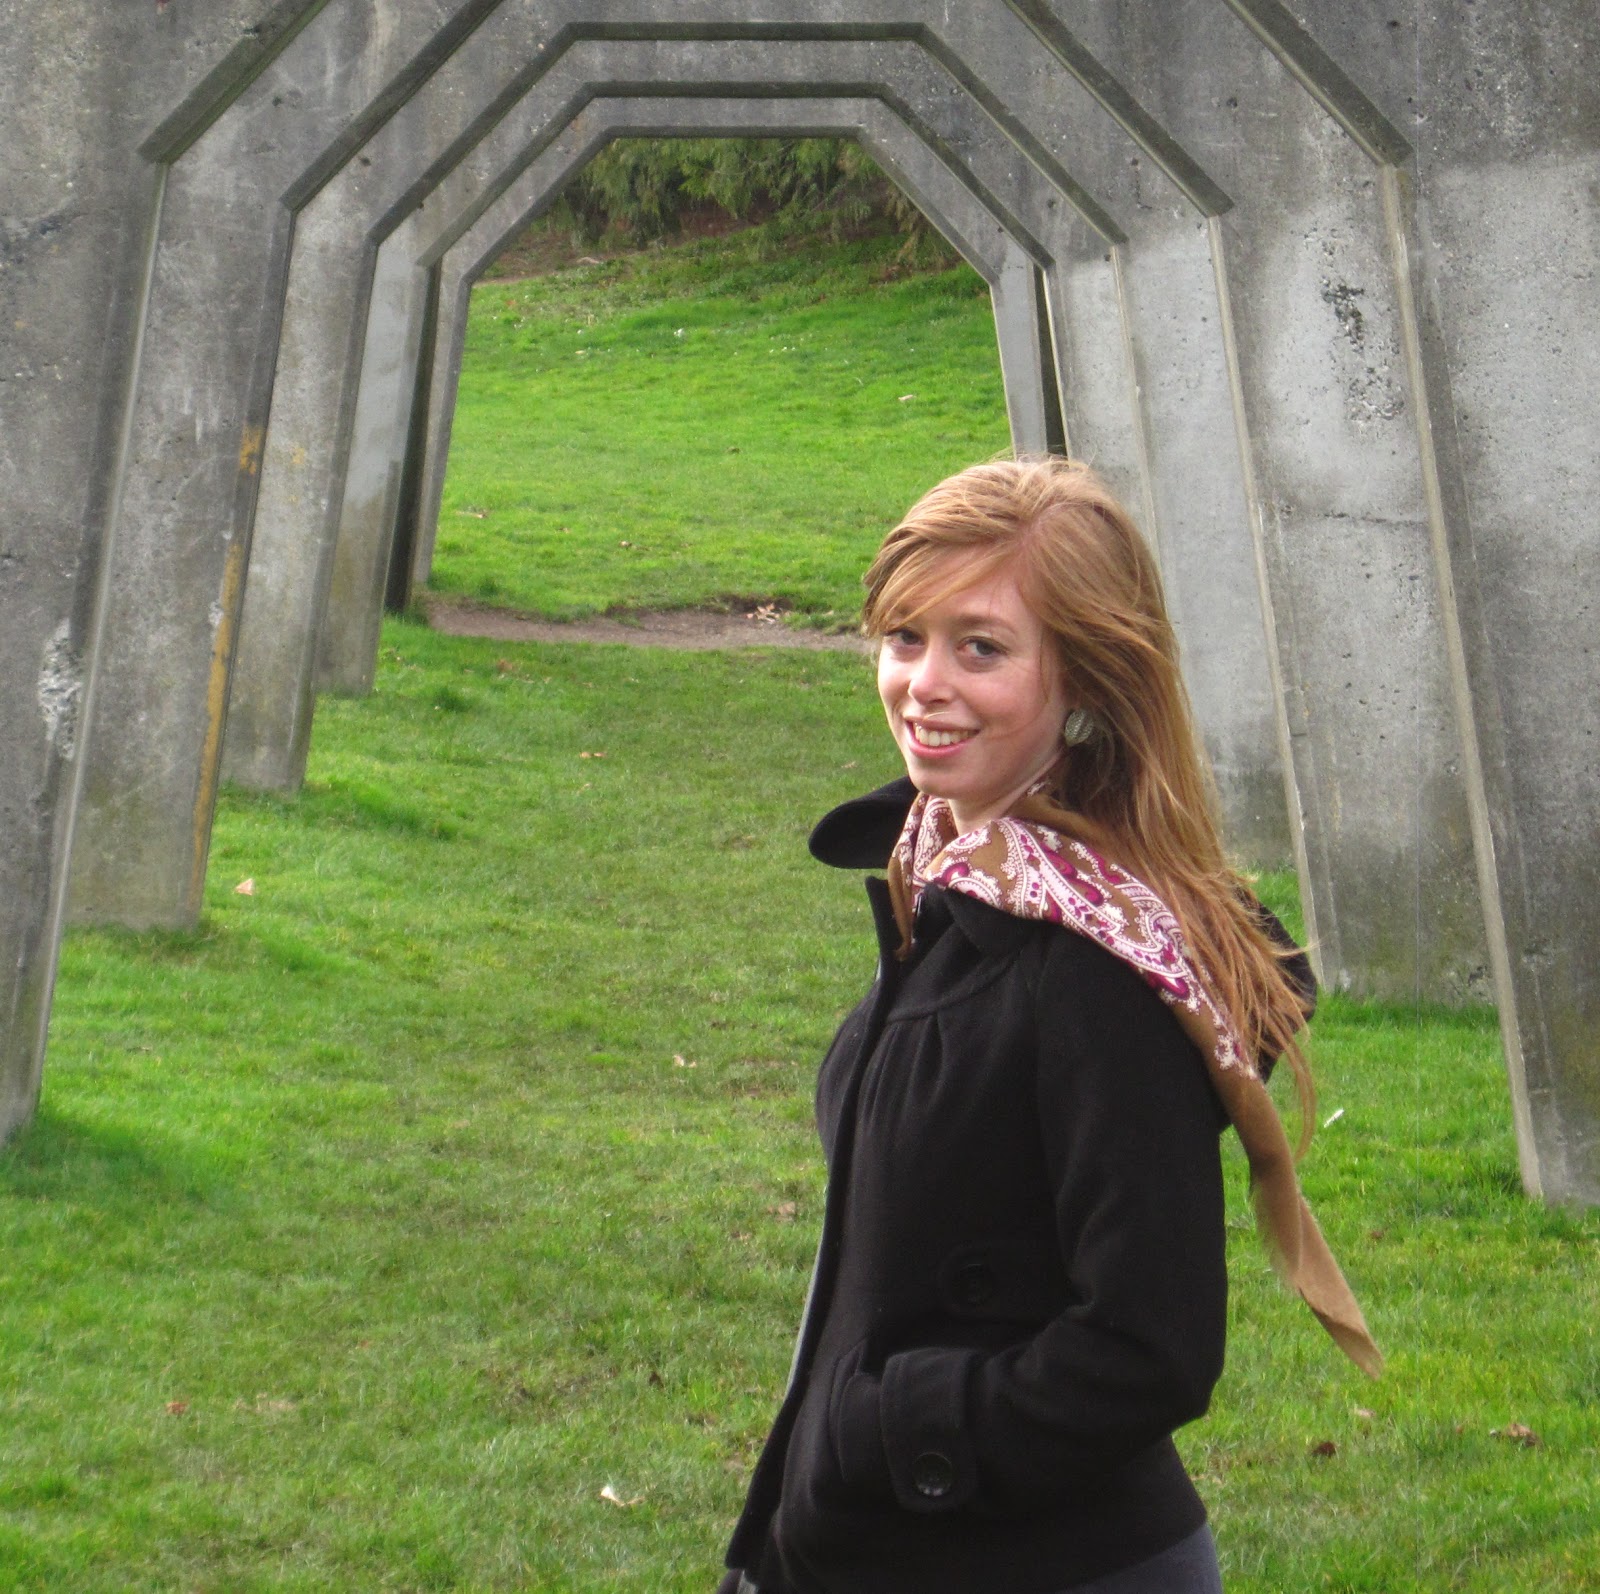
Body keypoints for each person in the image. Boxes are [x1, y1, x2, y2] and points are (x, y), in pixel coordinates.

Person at [717, 458, 1380, 1594]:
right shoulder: (957, 873)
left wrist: (889, 1429)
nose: (923, 683)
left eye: (981, 648)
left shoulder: (1094, 965)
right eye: (905, 636)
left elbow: (1150, 1347)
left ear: (1084, 683)